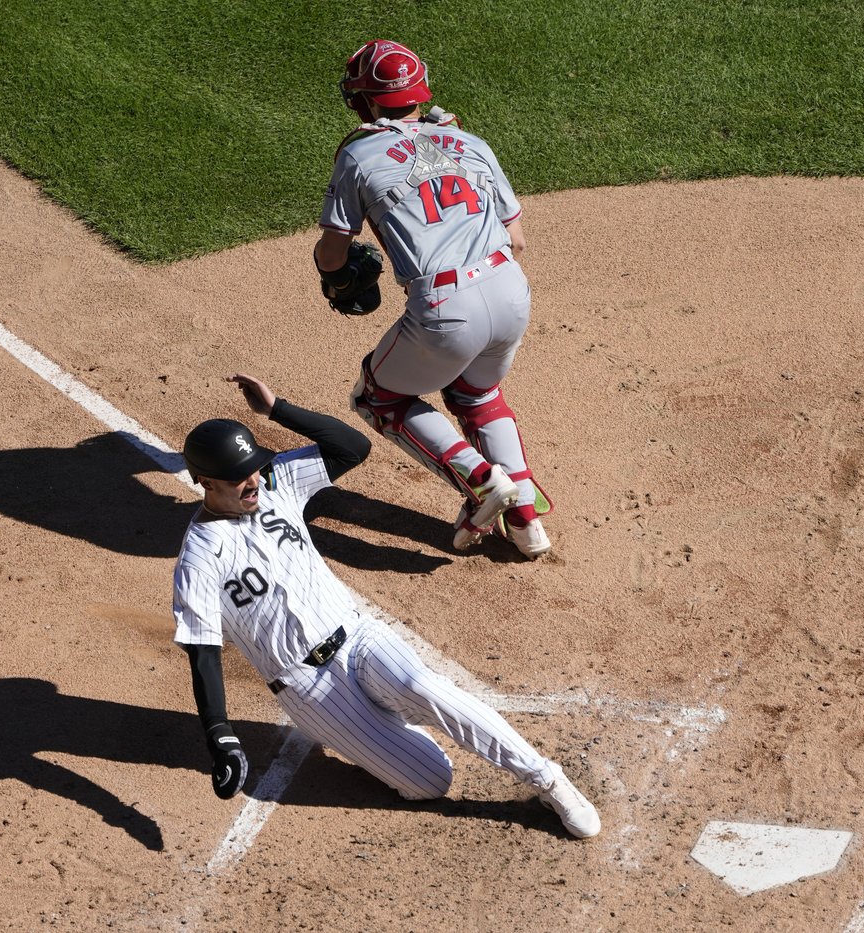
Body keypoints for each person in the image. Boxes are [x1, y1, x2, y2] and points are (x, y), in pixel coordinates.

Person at [171, 373, 601, 839]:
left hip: (357, 637)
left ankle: (547, 779)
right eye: (238, 478)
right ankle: (386, 730)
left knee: (427, 687)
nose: (252, 480)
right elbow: (203, 653)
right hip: (307, 688)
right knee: (431, 781)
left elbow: (351, 447)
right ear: (205, 482)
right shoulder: (199, 558)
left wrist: (277, 410)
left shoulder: (276, 484)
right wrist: (222, 737)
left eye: (253, 466)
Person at [313, 39, 552, 559]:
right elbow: (518, 239)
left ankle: (483, 482)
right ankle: (527, 522)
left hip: (446, 307)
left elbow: (333, 254)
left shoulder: (358, 153)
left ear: (365, 100)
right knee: (479, 395)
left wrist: (336, 275)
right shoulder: (470, 141)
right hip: (511, 290)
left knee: (377, 397)